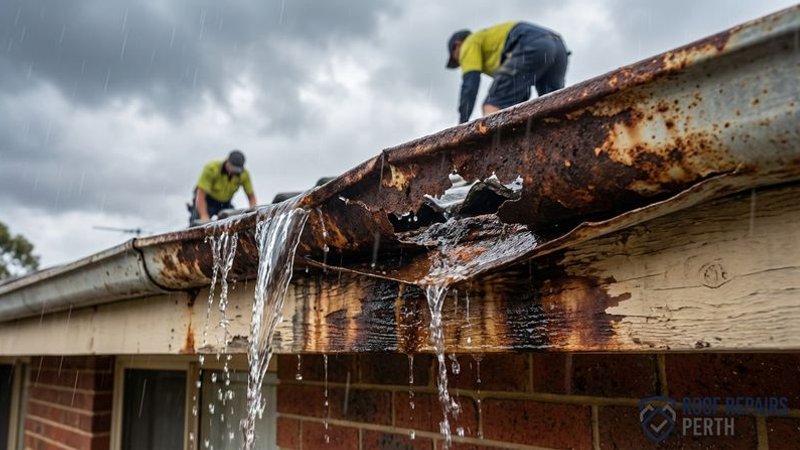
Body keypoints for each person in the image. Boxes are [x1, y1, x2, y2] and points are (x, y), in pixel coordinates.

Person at [446, 21, 569, 123]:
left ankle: (495, 150)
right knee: (553, 106)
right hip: (558, 47)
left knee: (493, 106)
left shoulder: (468, 44)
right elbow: (519, 86)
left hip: (530, 43)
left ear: (457, 45)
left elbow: (470, 86)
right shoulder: (487, 41)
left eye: (456, 59)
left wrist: (462, 122)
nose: (460, 62)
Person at [189, 150, 257, 225]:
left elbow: (251, 197)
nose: (234, 172)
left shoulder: (244, 174)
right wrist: (204, 216)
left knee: (236, 222)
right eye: (233, 168)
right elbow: (201, 195)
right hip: (206, 202)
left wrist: (253, 213)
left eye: (237, 170)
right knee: (196, 221)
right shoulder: (211, 169)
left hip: (225, 204)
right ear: (227, 161)